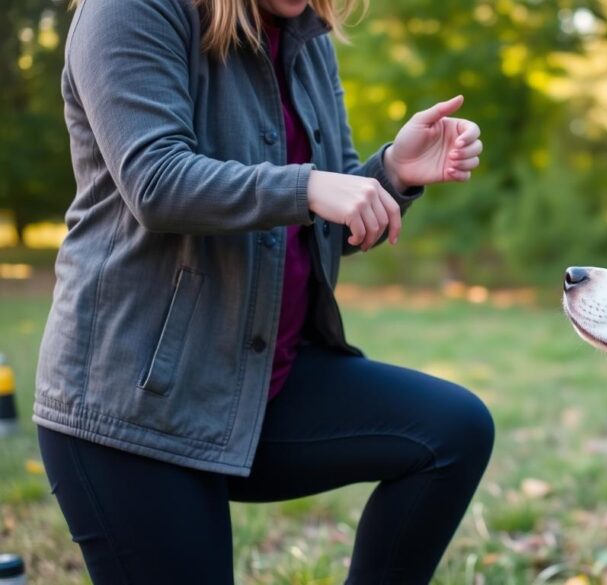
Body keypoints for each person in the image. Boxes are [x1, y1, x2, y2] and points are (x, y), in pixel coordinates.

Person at [33, 0, 493, 583]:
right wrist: (309, 186)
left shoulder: (308, 36)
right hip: (135, 404)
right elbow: (156, 182)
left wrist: (392, 174)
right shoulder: (128, 10)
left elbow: (326, 215)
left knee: (452, 430)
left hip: (259, 385)